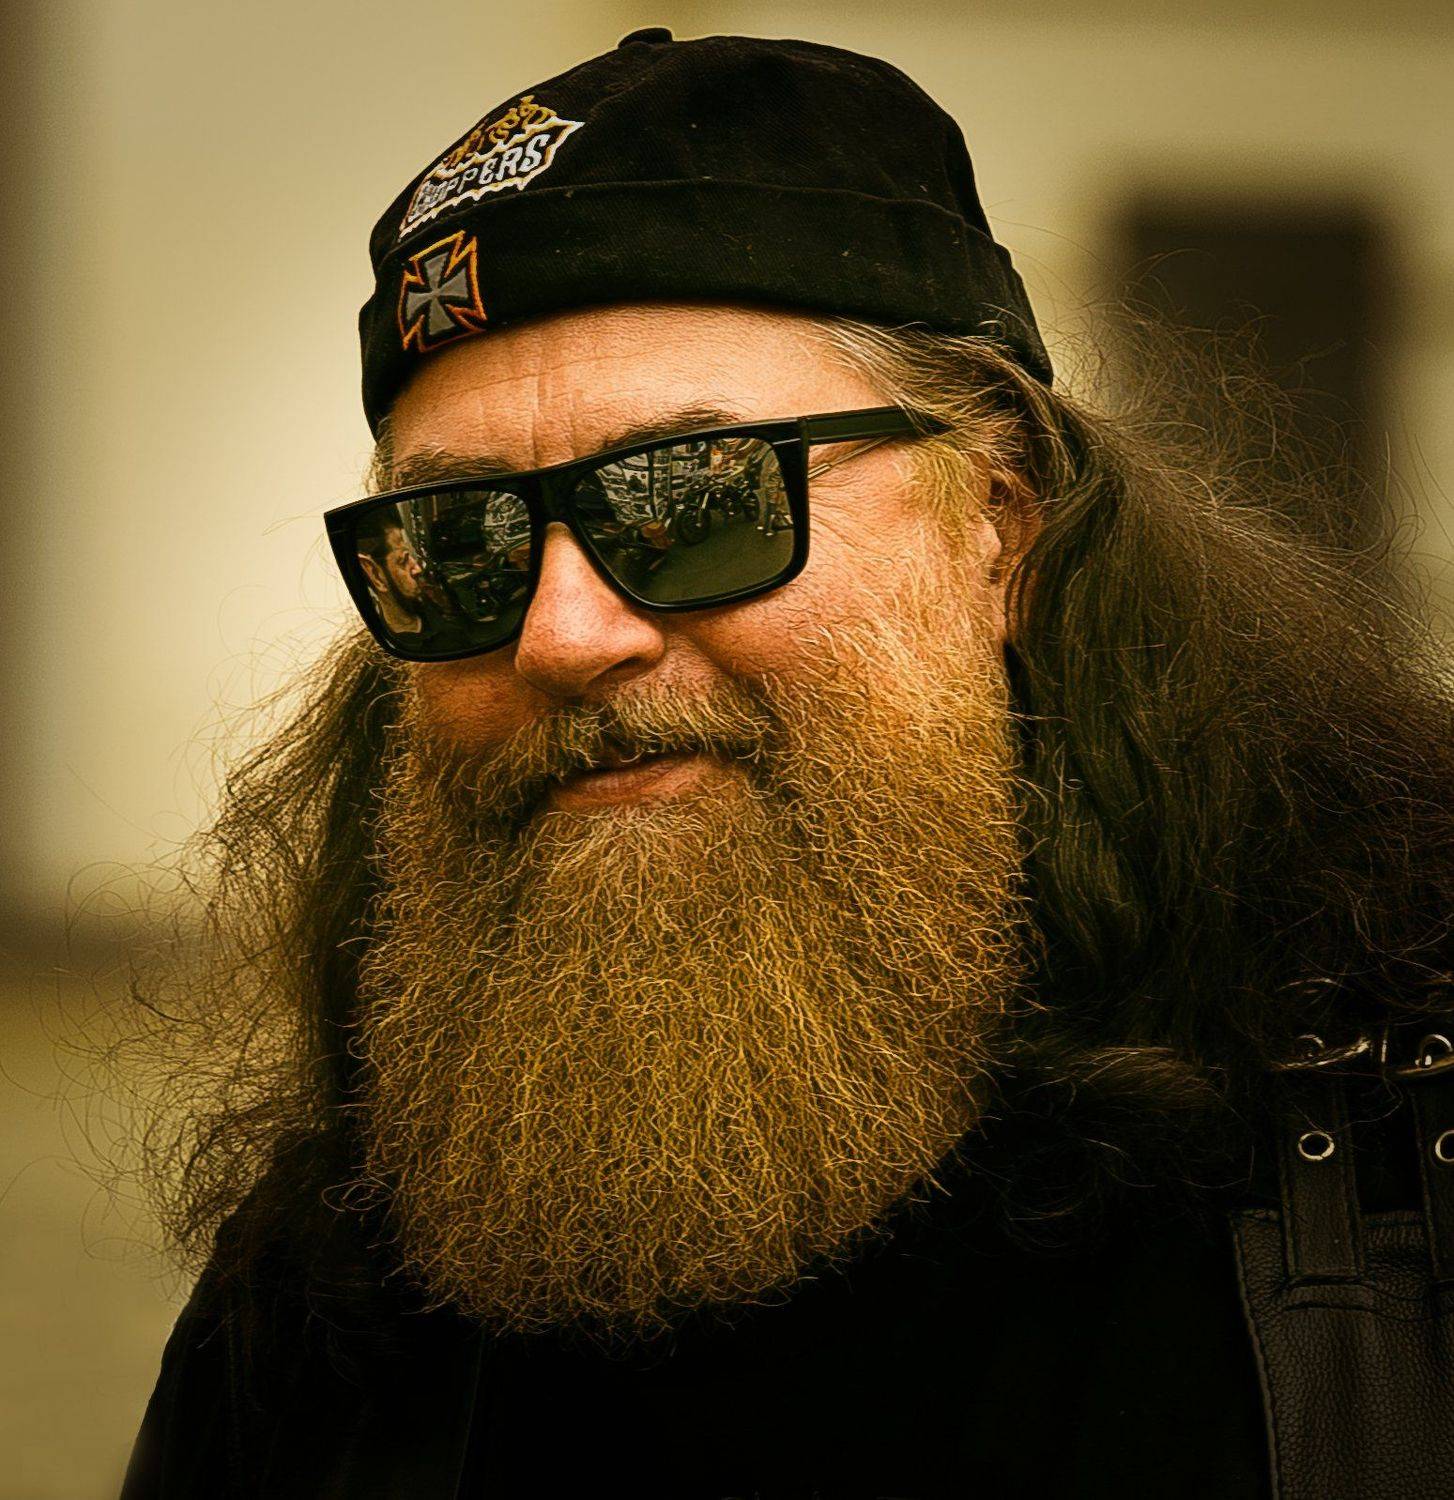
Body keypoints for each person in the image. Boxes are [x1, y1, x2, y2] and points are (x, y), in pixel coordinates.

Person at [119, 28, 1454, 1500]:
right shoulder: (331, 1288)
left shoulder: (1393, 1180)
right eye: (461, 540)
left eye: (697, 500)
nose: (562, 634)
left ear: (1000, 524)